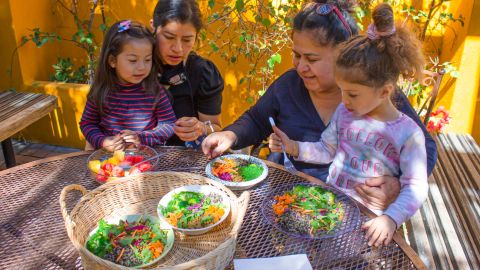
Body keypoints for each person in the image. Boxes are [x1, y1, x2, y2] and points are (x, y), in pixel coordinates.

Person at [202, 0, 437, 210]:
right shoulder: (288, 86)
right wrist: (230, 135)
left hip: (356, 211)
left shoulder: (376, 93)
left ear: (344, 54)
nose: (300, 66)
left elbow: (425, 147)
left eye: (312, 59)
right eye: (297, 55)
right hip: (292, 203)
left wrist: (396, 187)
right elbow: (255, 119)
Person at [270, 3, 428, 247]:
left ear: (385, 91)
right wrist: (294, 147)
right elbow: (326, 149)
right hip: (330, 209)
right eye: (342, 91)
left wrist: (390, 219)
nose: (343, 101)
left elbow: (416, 187)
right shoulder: (345, 112)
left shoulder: (408, 134)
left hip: (368, 225)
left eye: (352, 94)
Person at [80, 20, 176, 151]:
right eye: (133, 60)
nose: (142, 67)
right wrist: (103, 141)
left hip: (146, 161)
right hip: (109, 162)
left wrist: (141, 138)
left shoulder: (155, 91)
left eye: (147, 59)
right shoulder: (101, 92)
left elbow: (169, 125)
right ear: (113, 61)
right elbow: (88, 124)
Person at [151, 0, 224, 146]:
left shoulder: (202, 72)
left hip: (184, 163)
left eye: (187, 40)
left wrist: (201, 128)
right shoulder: (135, 62)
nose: (178, 48)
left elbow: (216, 128)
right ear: (153, 26)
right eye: (169, 37)